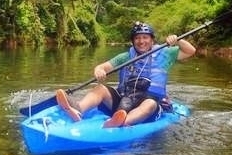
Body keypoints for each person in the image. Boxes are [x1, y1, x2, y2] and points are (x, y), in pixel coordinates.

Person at [56, 21, 196, 128]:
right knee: (100, 88)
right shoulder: (126, 56)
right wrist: (99, 70)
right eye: (137, 38)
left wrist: (177, 40)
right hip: (125, 101)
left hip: (150, 104)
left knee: (150, 104)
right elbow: (103, 66)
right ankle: (79, 109)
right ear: (133, 41)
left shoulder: (166, 53)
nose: (141, 41)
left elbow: (191, 51)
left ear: (152, 40)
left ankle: (122, 123)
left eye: (145, 37)